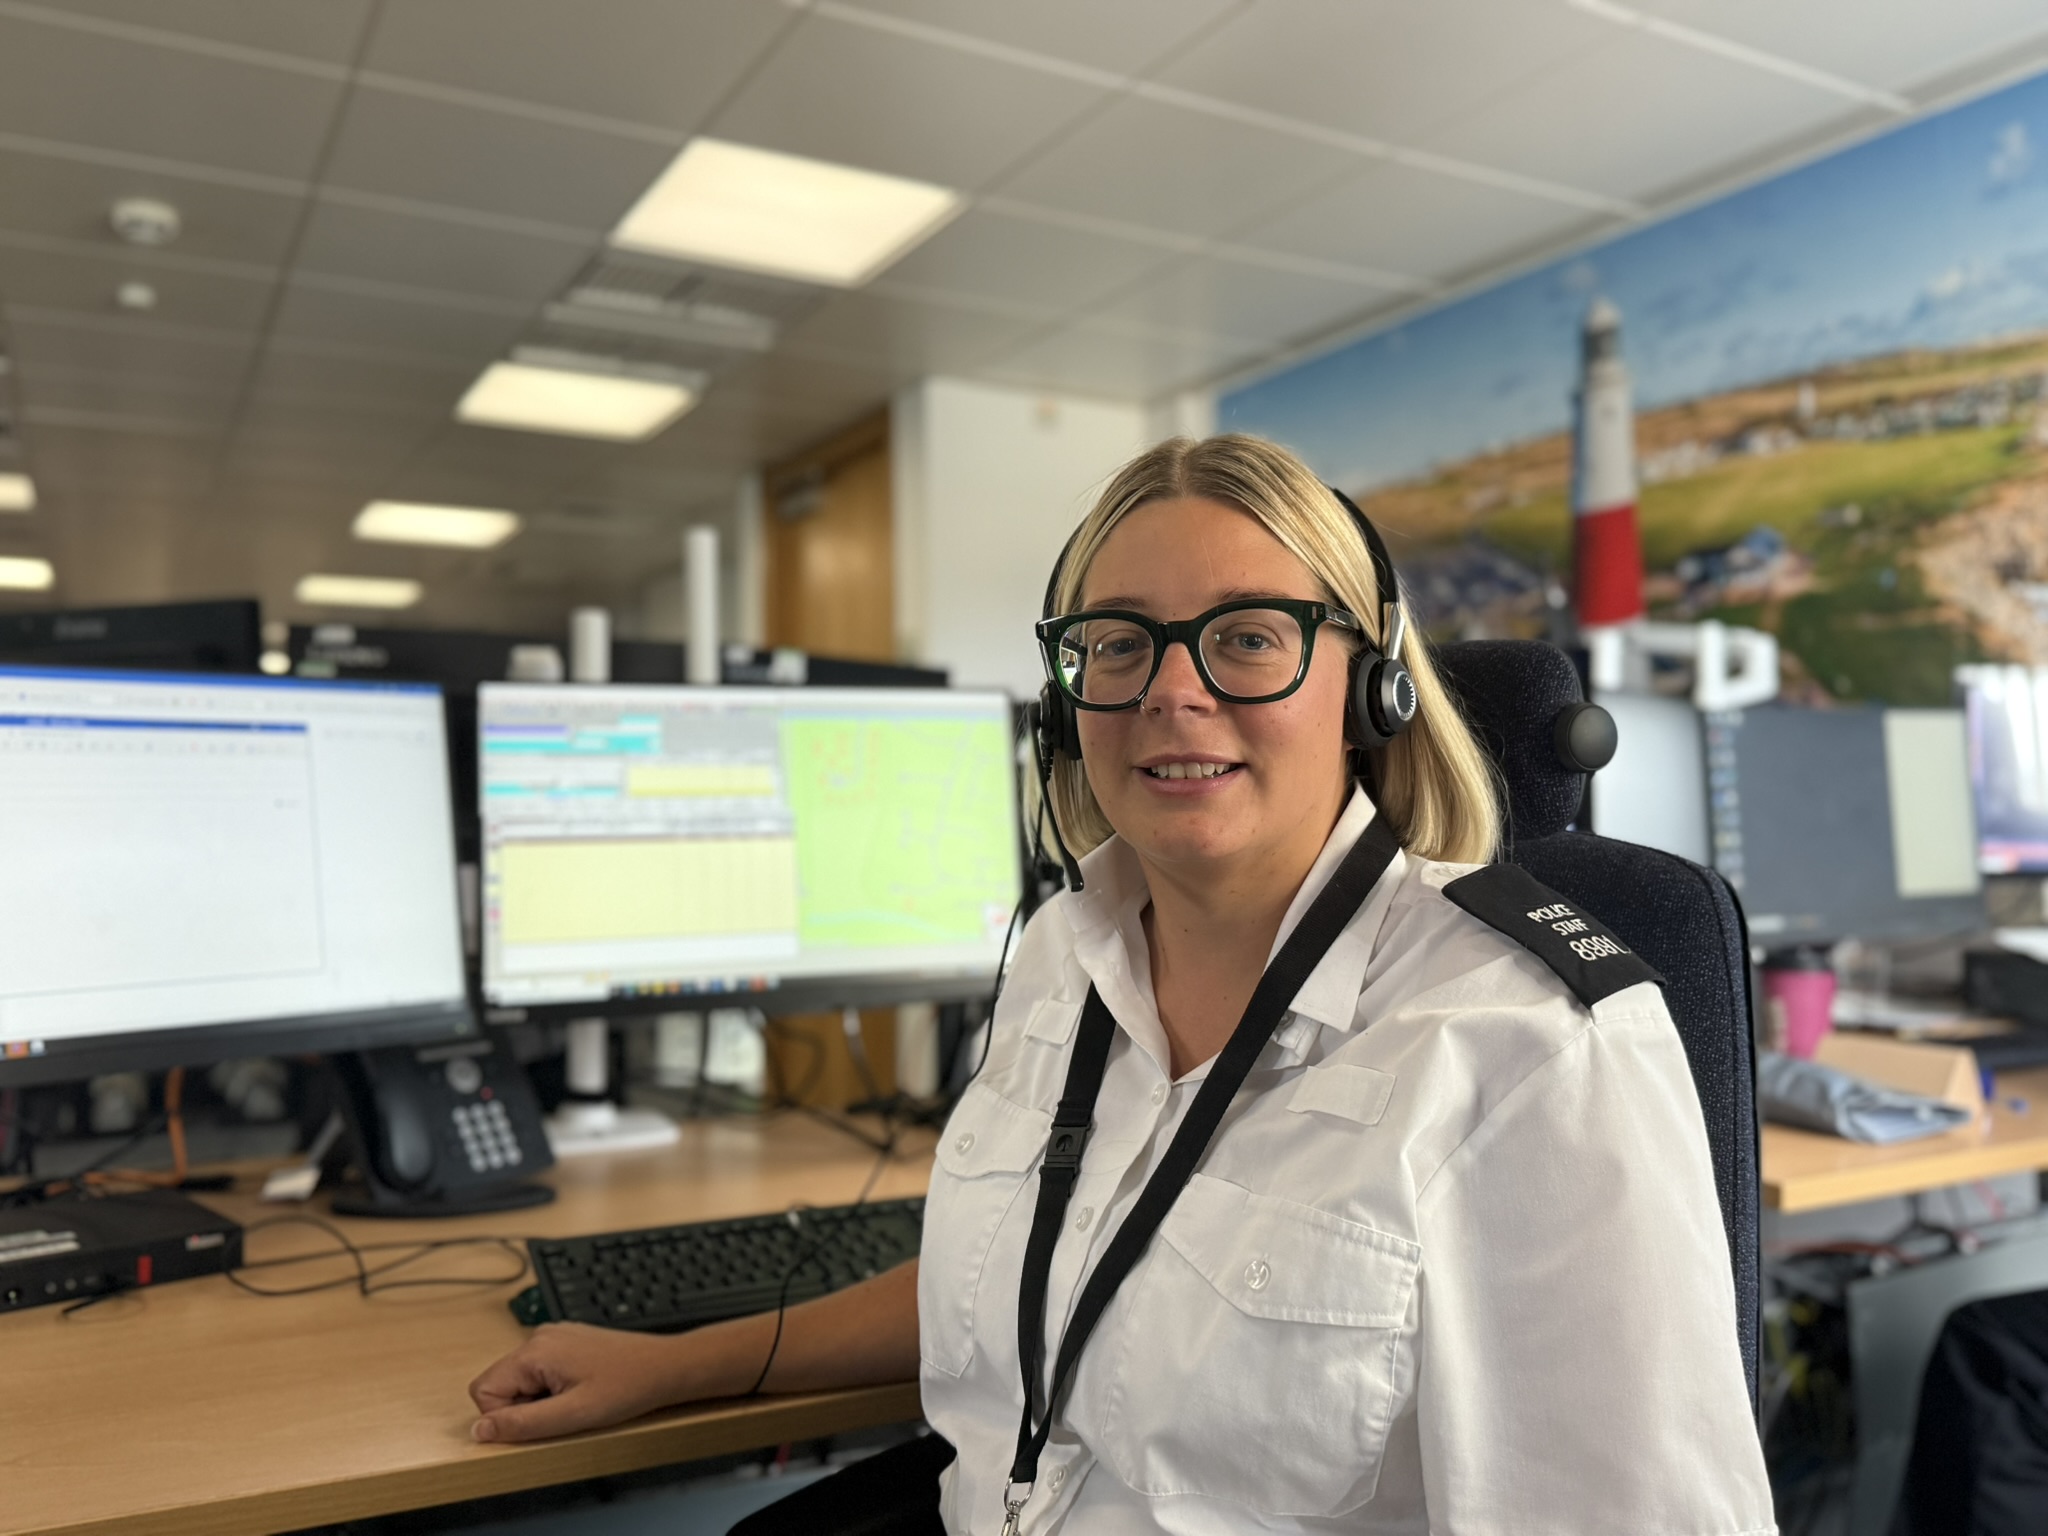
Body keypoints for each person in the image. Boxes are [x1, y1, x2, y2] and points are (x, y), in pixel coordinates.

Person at [468, 434, 1774, 1534]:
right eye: (1121, 643)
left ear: (1368, 685)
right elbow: (1027, 1266)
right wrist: (680, 1362)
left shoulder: (1525, 1051)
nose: (1173, 691)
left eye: (1249, 639)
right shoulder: (1061, 955)